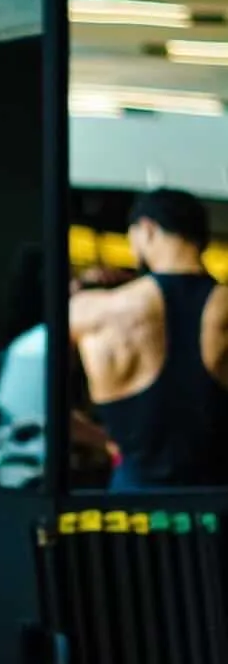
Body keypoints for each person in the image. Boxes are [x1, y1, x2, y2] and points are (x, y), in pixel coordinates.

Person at [70, 188, 228, 489]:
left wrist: (104, 439)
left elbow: (39, 408)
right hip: (216, 503)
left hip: (132, 500)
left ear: (147, 230)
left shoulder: (96, 310)